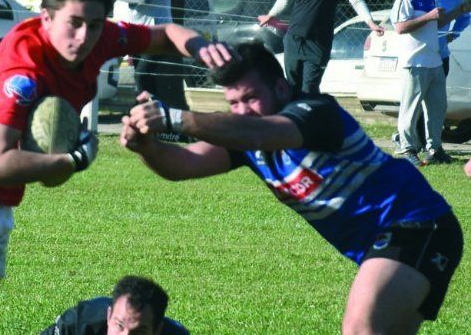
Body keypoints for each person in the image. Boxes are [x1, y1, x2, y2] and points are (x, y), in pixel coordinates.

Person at [0, 0, 213, 335]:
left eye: (96, 24)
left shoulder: (99, 37)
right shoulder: (23, 73)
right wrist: (71, 159)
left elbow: (165, 33)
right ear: (46, 18)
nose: (85, 36)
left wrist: (202, 47)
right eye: (74, 23)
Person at [121, 41, 463, 335]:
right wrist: (146, 148)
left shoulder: (317, 113)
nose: (243, 110)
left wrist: (175, 117)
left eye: (251, 97)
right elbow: (184, 165)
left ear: (281, 88)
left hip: (418, 226)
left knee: (359, 327)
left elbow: (261, 133)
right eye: (234, 103)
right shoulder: (247, 137)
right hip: (384, 244)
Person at [392, 0, 467, 166]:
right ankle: (407, 148)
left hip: (434, 60)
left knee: (437, 108)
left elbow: (439, 22)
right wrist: (429, 17)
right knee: (410, 108)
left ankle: (435, 149)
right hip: (415, 62)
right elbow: (400, 27)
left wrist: (458, 11)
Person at [107, 0, 187, 110]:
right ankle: (152, 113)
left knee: (142, 74)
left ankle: (150, 112)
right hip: (137, 33)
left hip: (158, 33)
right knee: (144, 78)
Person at [39, 275, 189, 335]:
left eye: (139, 333)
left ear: (156, 331)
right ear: (109, 316)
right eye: (119, 325)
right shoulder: (77, 325)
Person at [426, 0, 471, 76]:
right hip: (419, 57)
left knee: (439, 96)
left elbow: (465, 17)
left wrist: (453, 34)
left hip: (441, 56)